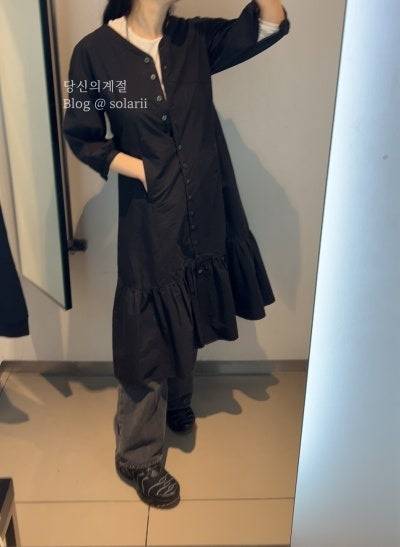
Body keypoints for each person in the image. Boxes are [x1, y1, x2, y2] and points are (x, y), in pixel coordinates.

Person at [62, 0, 290, 509]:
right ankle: (138, 454)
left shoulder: (194, 41)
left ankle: (178, 400)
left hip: (206, 202)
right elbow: (81, 132)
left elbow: (270, 23)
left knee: (190, 298)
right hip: (150, 211)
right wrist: (139, 168)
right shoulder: (95, 53)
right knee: (147, 326)